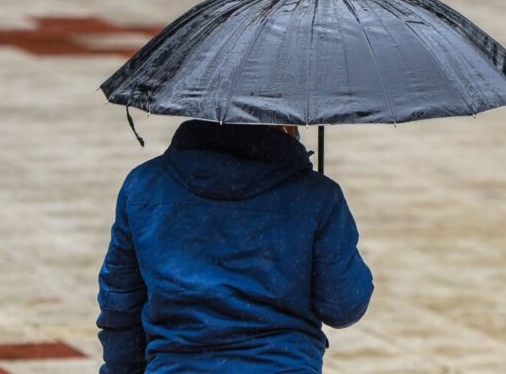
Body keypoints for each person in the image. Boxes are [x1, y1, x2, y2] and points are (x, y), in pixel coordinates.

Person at [97, 119, 374, 374]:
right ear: (286, 122)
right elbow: (344, 307)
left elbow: (120, 308)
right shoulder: (317, 196)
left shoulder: (144, 187)